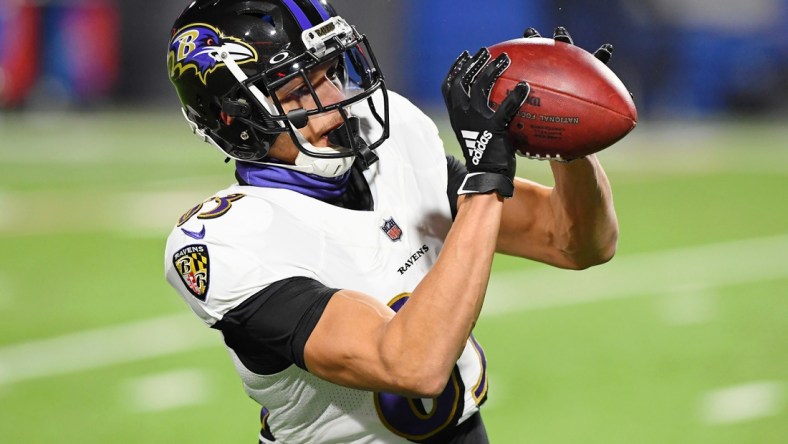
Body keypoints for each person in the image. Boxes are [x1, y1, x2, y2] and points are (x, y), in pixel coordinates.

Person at [164, 1, 620, 442]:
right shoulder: (227, 241)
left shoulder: (386, 139)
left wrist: (567, 143)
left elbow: (573, 241)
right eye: (298, 89)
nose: (338, 103)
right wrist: (486, 180)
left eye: (331, 73)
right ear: (234, 118)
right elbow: (412, 364)